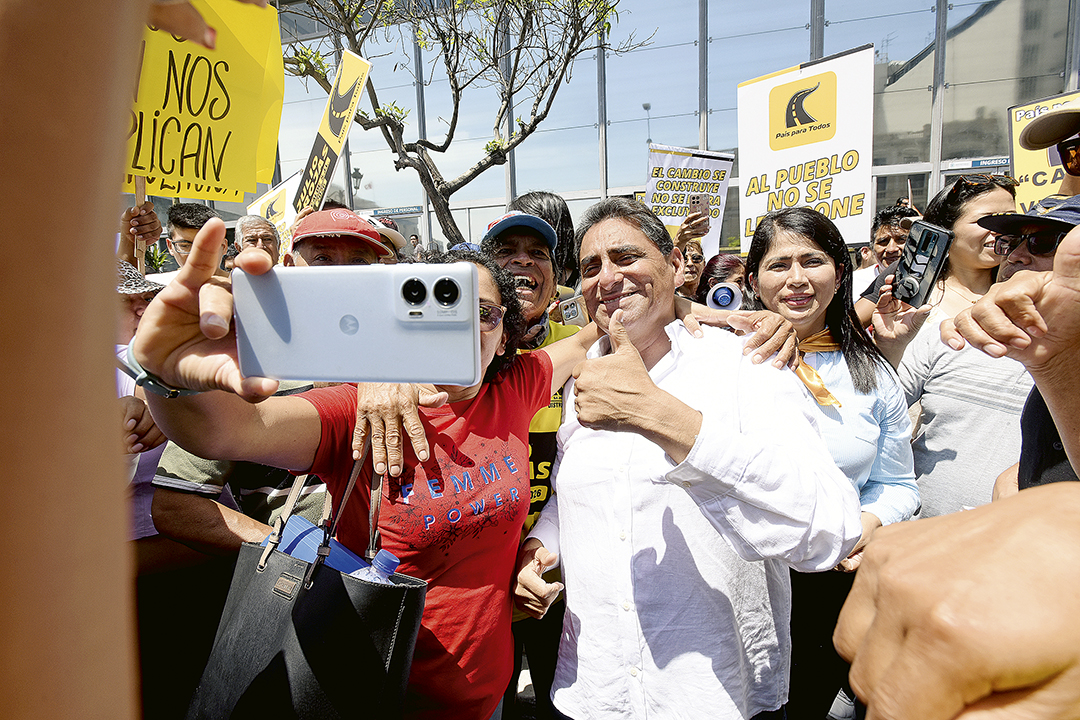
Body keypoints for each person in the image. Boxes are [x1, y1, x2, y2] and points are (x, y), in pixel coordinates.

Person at [128, 214, 616, 719]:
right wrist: (170, 373)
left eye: (485, 312)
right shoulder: (362, 409)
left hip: (484, 697)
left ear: (507, 334)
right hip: (375, 695)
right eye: (446, 305)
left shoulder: (516, 385)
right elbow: (227, 432)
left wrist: (653, 296)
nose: (465, 324)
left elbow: (587, 339)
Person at [515, 197, 862, 720]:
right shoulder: (582, 379)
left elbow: (829, 530)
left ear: (675, 264)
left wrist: (663, 418)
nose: (607, 277)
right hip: (594, 692)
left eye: (626, 257)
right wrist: (541, 548)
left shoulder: (748, 363)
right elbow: (571, 495)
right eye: (590, 267)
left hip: (716, 695)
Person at [744, 207, 919, 718]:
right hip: (741, 583)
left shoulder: (873, 372)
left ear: (840, 274)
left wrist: (864, 525)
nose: (797, 278)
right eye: (779, 265)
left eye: (813, 261)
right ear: (753, 281)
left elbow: (898, 484)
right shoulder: (720, 363)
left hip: (830, 583)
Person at [870, 175, 1033, 519]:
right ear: (947, 229)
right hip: (926, 514)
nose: (1002, 232)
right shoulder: (910, 305)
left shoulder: (1032, 304)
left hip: (1023, 519)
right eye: (987, 221)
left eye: (1011, 220)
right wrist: (888, 346)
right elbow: (878, 405)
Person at [480, 209, 577, 720]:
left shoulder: (580, 346)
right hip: (477, 584)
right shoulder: (449, 351)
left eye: (537, 253)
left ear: (555, 279)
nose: (523, 261)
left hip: (556, 577)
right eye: (506, 252)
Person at [146, 202, 224, 284]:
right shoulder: (154, 285)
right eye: (185, 246)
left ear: (224, 246)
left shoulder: (233, 286)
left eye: (206, 246)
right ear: (170, 246)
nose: (195, 255)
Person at [852, 204, 920, 295]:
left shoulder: (932, 281)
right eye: (883, 241)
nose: (891, 249)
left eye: (901, 240)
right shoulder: (853, 283)